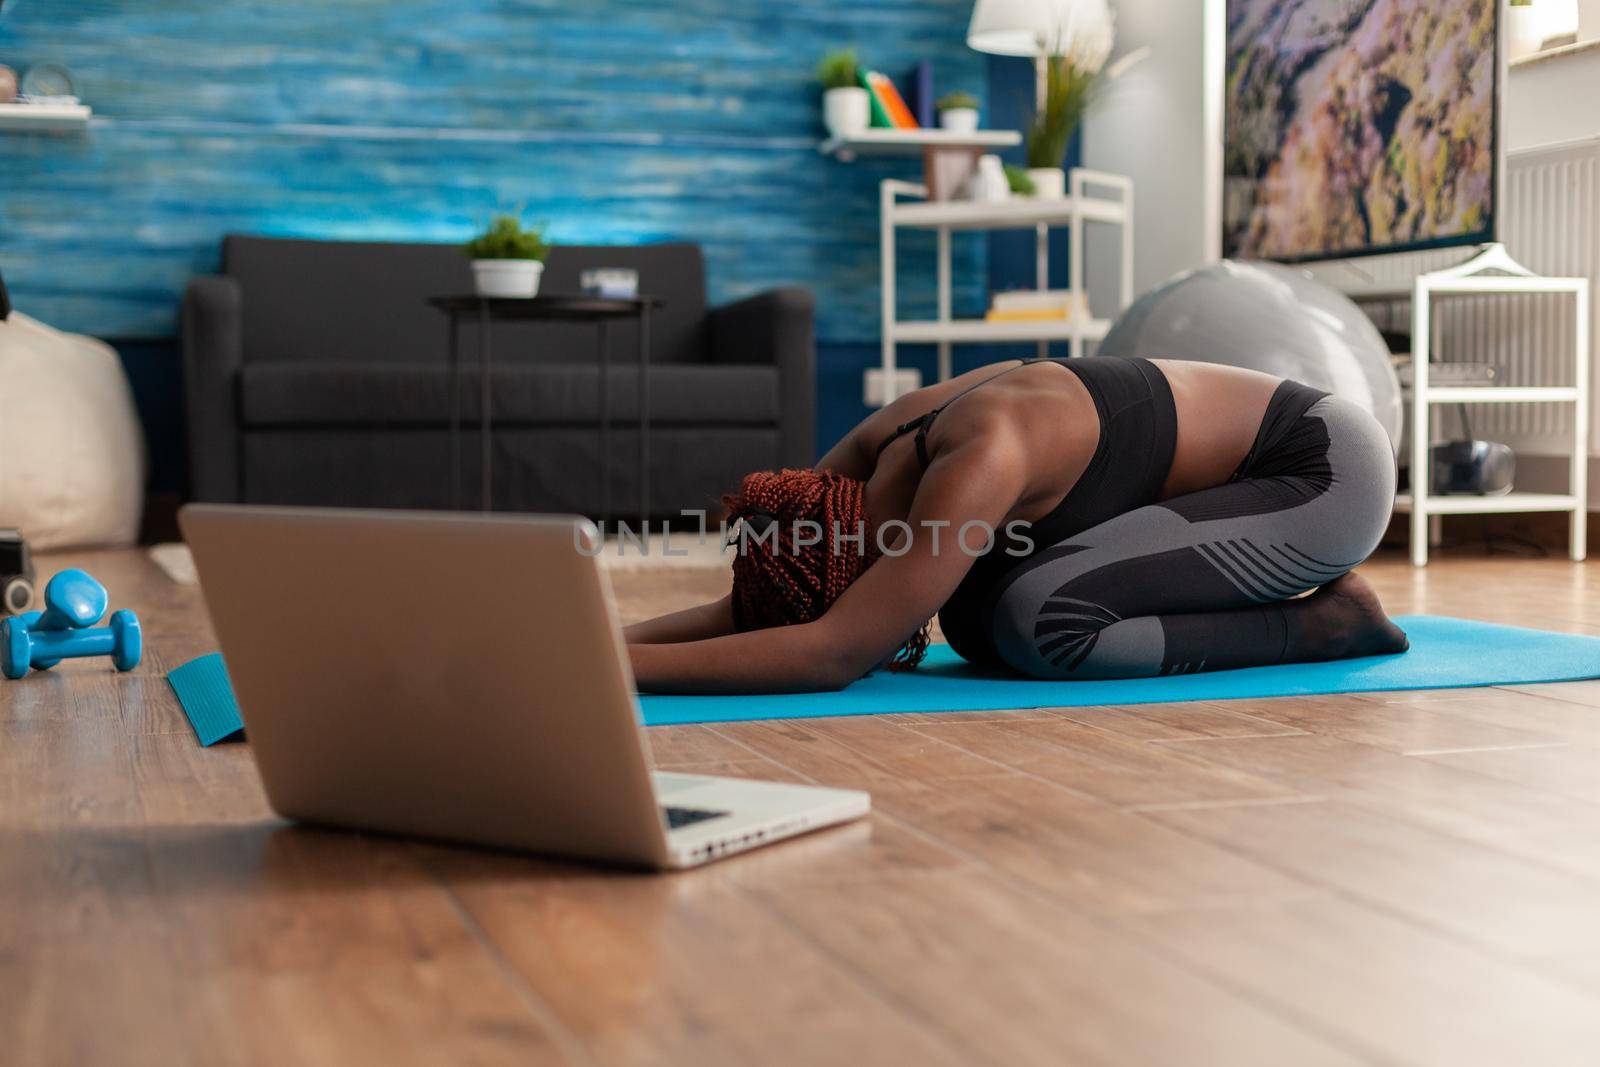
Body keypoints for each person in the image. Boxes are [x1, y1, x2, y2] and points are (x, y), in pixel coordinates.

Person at [626, 356, 1407, 694]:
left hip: (1323, 474)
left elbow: (832, 650)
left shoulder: (977, 462)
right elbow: (763, 608)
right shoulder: (872, 455)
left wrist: (617, 672)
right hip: (1246, 473)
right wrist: (596, 637)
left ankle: (1327, 623)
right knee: (970, 620)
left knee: (1044, 622)